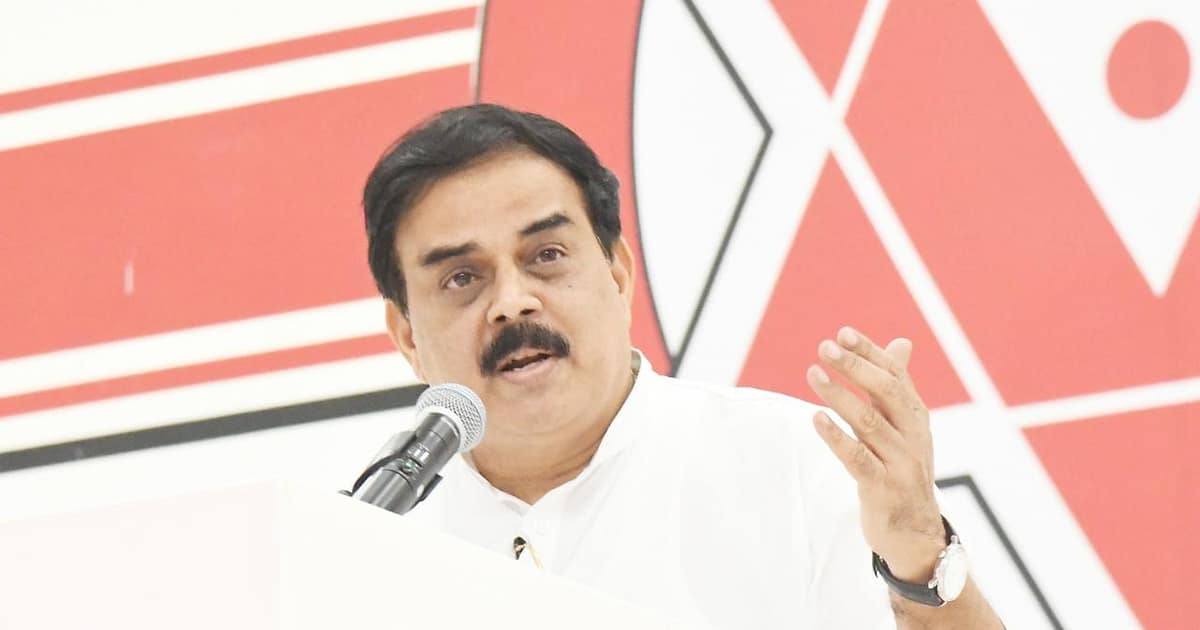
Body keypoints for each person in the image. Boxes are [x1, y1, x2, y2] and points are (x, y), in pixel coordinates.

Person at [362, 103, 1003, 629]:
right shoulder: (368, 531)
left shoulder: (794, 465)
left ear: (618, 276)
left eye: (547, 255)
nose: (512, 302)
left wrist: (919, 558)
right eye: (462, 278)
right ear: (407, 335)